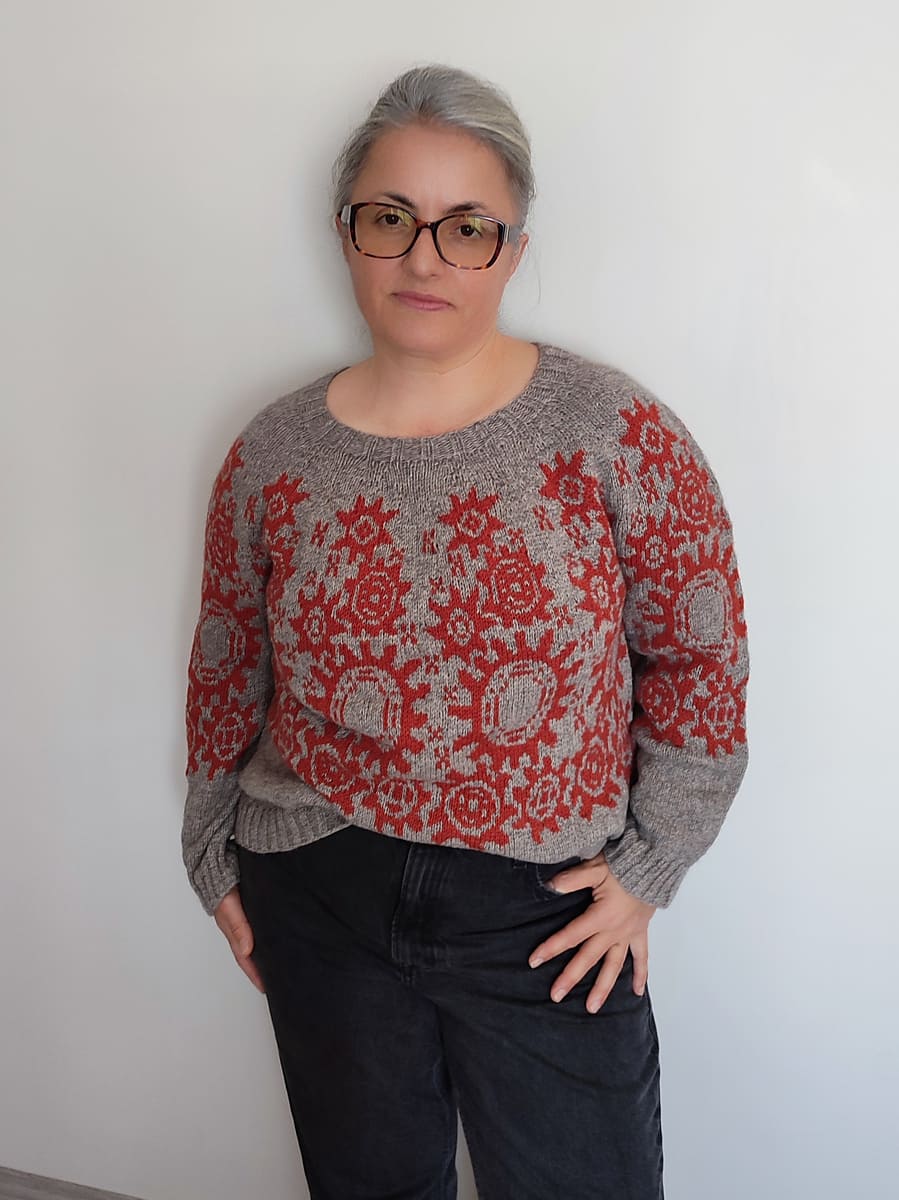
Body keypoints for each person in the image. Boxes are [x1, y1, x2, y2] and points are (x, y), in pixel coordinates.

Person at [181, 62, 749, 1200]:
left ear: (513, 250)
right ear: (347, 233)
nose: (425, 258)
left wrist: (650, 868)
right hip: (318, 886)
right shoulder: (274, 453)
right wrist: (212, 852)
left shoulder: (614, 433)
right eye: (391, 218)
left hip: (548, 913)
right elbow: (229, 658)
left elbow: (700, 660)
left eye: (467, 227)